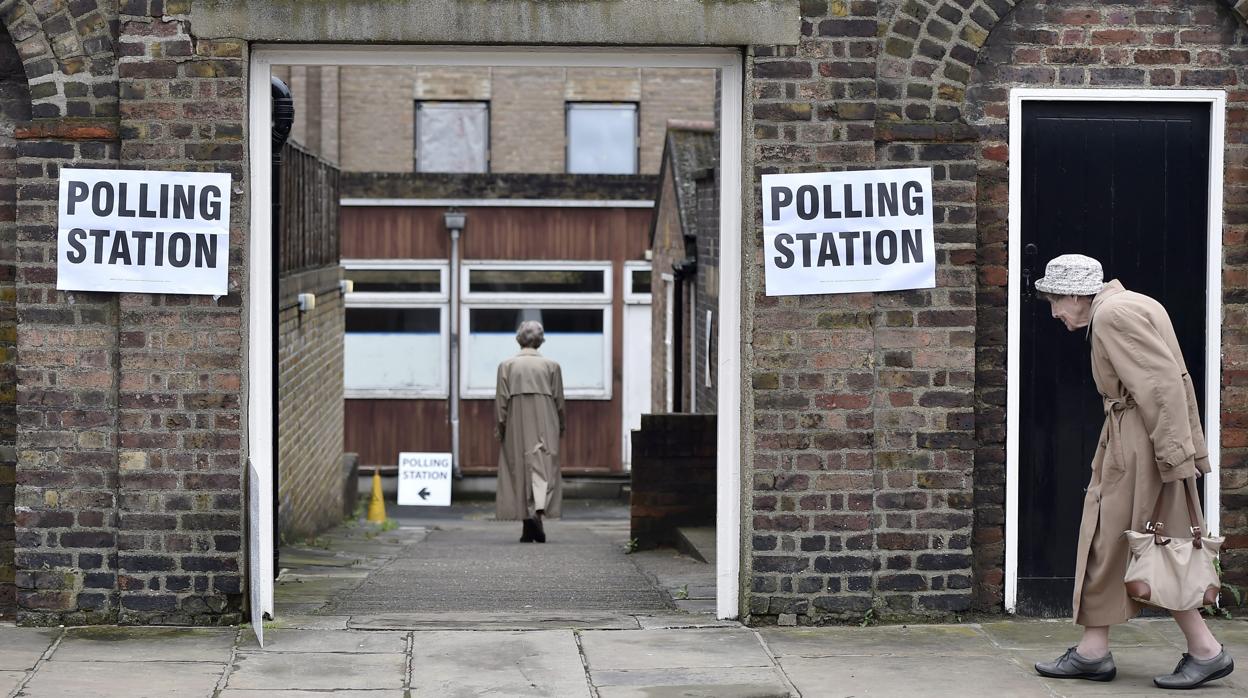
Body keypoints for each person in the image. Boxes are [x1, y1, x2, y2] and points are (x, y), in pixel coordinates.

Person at [1031, 254, 1233, 689]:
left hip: (1142, 444)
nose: (1055, 313)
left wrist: (1175, 456)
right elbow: (1171, 381)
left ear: (1076, 293)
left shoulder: (1113, 315)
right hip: (1140, 439)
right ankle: (1093, 650)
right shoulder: (1134, 303)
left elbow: (1161, 385)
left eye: (1055, 302)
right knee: (1119, 541)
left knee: (1152, 543)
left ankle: (1205, 650)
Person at [494, 320, 565, 543]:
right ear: (540, 339)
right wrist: (561, 425)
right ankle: (537, 515)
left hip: (516, 419)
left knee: (519, 467)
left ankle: (527, 521)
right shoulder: (552, 366)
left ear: (519, 338)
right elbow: (559, 400)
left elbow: (501, 403)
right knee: (543, 466)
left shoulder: (507, 366)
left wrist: (501, 427)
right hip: (546, 418)